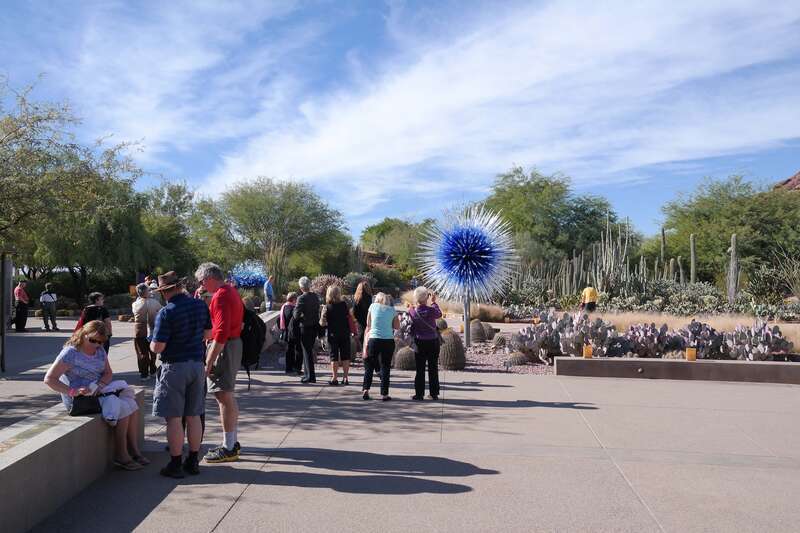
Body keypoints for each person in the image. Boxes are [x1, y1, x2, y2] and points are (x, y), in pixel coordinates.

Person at [44, 320, 145, 471]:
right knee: (123, 407)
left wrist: (100, 385)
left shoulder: (100, 350)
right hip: (80, 400)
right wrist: (73, 391)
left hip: (98, 392)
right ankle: (121, 454)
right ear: (84, 334)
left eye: (100, 342)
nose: (96, 344)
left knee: (132, 404)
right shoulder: (70, 353)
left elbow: (108, 373)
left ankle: (134, 451)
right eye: (93, 340)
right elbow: (49, 379)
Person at [149, 271, 211, 478]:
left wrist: (151, 345)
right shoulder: (200, 305)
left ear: (165, 291)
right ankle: (193, 461)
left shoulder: (167, 312)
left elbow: (158, 347)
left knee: (174, 418)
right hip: (197, 365)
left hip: (174, 366)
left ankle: (175, 464)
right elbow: (208, 334)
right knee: (194, 415)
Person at [195, 262, 244, 463]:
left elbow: (221, 332)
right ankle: (231, 442)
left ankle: (228, 447)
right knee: (227, 396)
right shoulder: (230, 291)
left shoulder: (221, 295)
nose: (201, 285)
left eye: (201, 281)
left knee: (222, 396)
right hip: (232, 344)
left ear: (209, 278)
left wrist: (208, 361)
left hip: (225, 347)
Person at [361, 292, 399, 401]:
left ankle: (366, 390)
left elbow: (368, 324)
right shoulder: (392, 310)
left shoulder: (372, 307)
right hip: (388, 340)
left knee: (369, 366)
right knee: (385, 367)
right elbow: (397, 326)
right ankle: (384, 394)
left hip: (374, 339)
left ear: (376, 299)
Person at [408, 287, 442, 401]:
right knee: (433, 368)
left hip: (419, 342)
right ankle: (434, 393)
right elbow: (439, 314)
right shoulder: (431, 310)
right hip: (432, 341)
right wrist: (434, 302)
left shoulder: (412, 311)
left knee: (420, 369)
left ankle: (419, 394)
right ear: (426, 297)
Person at [321, 285, 352, 386]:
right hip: (345, 332)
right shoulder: (345, 305)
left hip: (333, 334)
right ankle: (345, 378)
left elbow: (322, 323)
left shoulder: (327, 307)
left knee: (333, 356)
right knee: (345, 355)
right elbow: (350, 317)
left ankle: (334, 378)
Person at [293, 276, 320, 384]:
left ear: (301, 287)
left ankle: (310, 376)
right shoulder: (315, 296)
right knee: (308, 350)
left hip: (305, 327)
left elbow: (296, 315)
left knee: (306, 351)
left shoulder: (301, 298)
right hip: (314, 326)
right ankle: (307, 374)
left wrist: (300, 316)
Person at [132, 283, 162, 379]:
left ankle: (144, 373)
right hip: (152, 329)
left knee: (142, 352)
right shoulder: (154, 302)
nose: (150, 292)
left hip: (140, 330)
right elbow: (161, 311)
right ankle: (152, 369)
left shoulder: (135, 304)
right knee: (153, 352)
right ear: (146, 292)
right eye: (149, 290)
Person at [280, 292, 302, 375]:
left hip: (286, 332)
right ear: (293, 299)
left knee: (289, 350)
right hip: (294, 332)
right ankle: (296, 368)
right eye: (296, 299)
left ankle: (288, 368)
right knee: (297, 350)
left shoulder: (284, 307)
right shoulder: (293, 309)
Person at [352, 281, 372, 352]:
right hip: (368, 320)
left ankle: (362, 351)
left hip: (359, 321)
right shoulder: (369, 297)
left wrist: (356, 319)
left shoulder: (356, 299)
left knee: (361, 336)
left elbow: (354, 312)